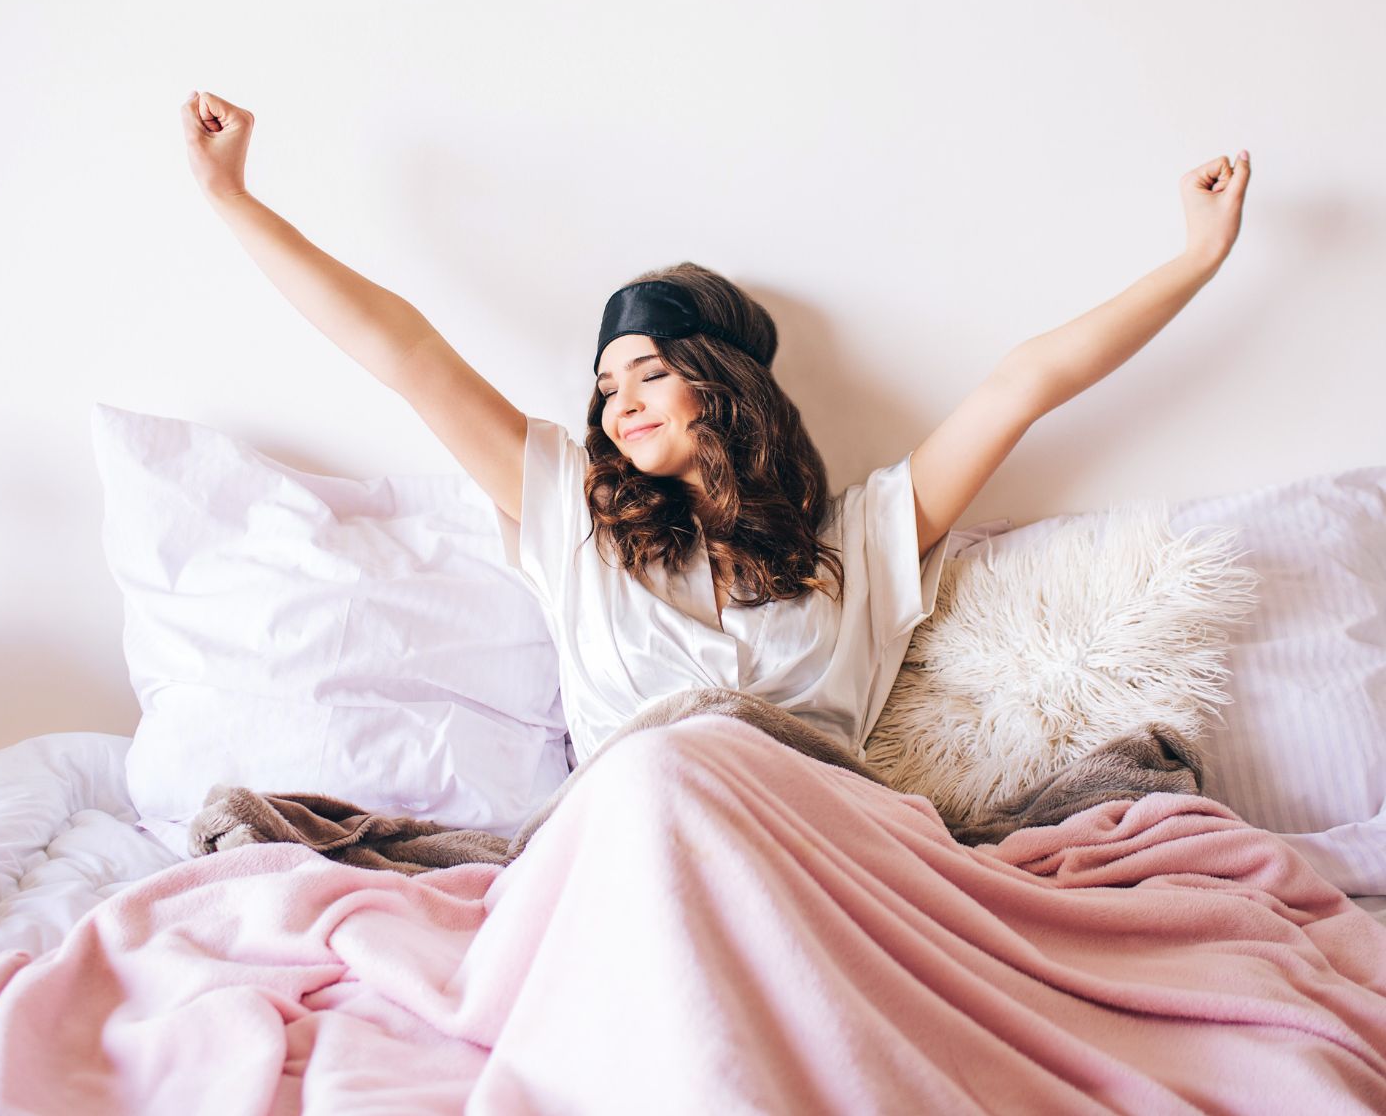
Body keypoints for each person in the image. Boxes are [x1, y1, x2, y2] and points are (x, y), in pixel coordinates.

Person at [179, 90, 1251, 776]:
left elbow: (1021, 382)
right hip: (639, 843)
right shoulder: (572, 518)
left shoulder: (857, 545)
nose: (618, 401)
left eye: (648, 369)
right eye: (603, 385)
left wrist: (1194, 260)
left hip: (817, 849)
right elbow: (405, 351)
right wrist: (234, 201)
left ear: (720, 386)